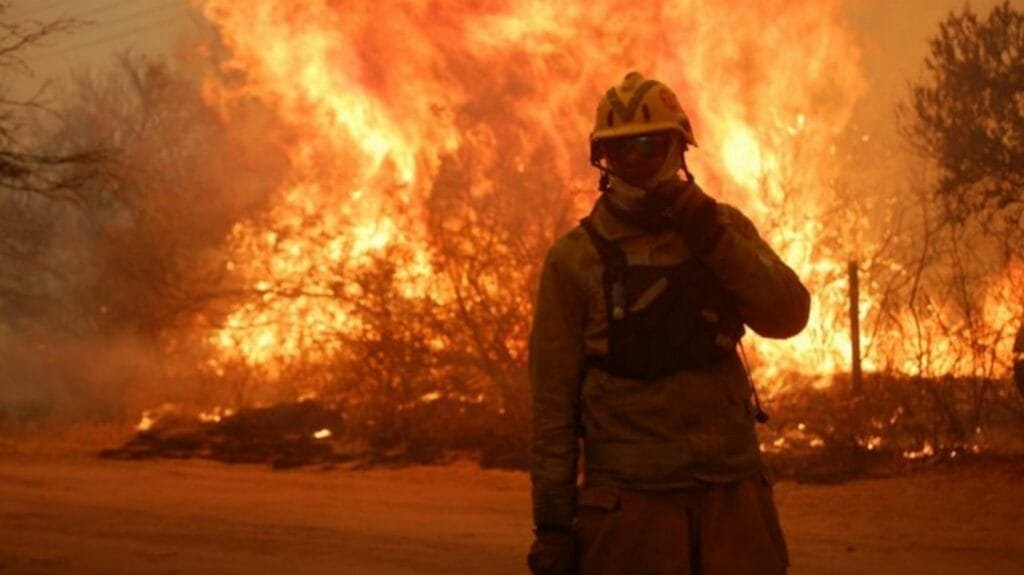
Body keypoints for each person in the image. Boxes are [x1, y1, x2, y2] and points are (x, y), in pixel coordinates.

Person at [527, 72, 811, 575]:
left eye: (647, 144)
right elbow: (553, 408)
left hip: (733, 498)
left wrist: (714, 240)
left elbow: (788, 316)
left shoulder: (724, 231)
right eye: (620, 150)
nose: (634, 161)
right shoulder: (575, 260)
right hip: (633, 511)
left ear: (678, 147)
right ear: (602, 159)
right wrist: (552, 526)